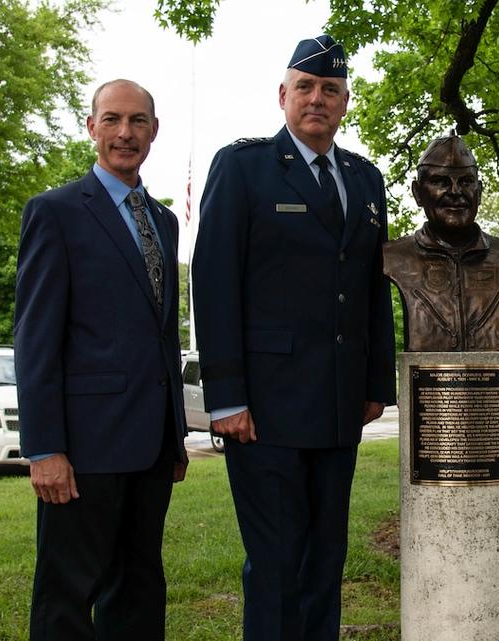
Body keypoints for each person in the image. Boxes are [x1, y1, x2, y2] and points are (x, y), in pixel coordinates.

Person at [192, 35, 396, 641]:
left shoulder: (364, 178)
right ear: (283, 96)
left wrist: (375, 383)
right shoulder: (244, 167)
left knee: (325, 559)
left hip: (338, 405)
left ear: (344, 102)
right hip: (266, 408)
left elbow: (370, 289)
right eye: (305, 88)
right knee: (277, 563)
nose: (317, 99)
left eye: (329, 90)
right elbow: (214, 282)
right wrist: (226, 397)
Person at [13, 79, 188, 641]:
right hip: (82, 448)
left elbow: (162, 339)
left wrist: (175, 437)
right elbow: (36, 339)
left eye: (138, 121)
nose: (125, 133)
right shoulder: (55, 213)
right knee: (68, 592)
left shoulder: (164, 221)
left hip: (151, 448)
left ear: (154, 132)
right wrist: (44, 448)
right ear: (91, 128)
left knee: (139, 589)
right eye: (112, 119)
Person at [383, 134, 499, 351]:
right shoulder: (395, 257)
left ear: (480, 191)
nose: (456, 192)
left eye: (466, 182)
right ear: (418, 193)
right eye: (441, 181)